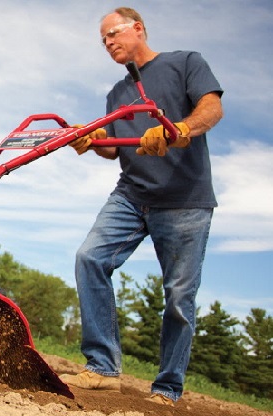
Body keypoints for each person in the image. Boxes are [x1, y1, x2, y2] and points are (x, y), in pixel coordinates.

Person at [60, 7, 224, 407]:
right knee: (89, 258)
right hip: (132, 196)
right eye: (103, 40)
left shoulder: (185, 62)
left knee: (179, 297)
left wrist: (181, 128)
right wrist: (91, 140)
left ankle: (167, 388)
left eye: (113, 33)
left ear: (138, 28)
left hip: (185, 199)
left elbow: (211, 109)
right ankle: (103, 368)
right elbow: (114, 149)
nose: (108, 43)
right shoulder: (117, 93)